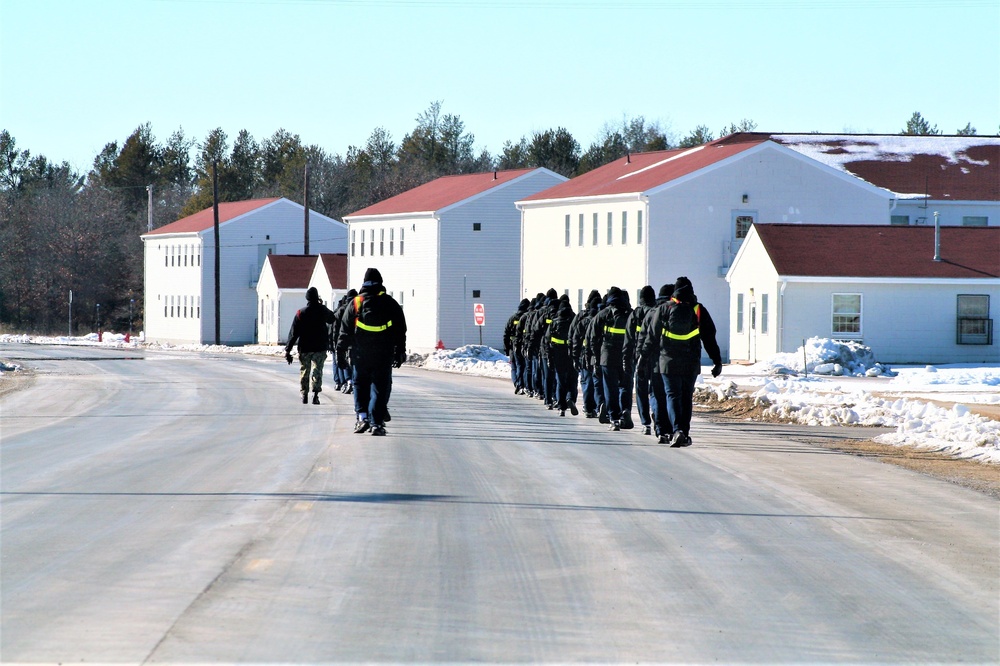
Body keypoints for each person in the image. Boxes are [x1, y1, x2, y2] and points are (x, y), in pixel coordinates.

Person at [640, 277, 722, 447]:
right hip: (691, 363)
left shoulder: (663, 309)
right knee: (686, 397)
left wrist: (643, 359)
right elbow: (709, 337)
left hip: (667, 363)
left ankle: (676, 430)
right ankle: (684, 432)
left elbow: (651, 338)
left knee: (672, 395)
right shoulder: (699, 310)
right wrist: (717, 360)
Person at [337, 268, 407, 437]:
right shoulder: (390, 303)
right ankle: (376, 423)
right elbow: (400, 330)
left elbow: (344, 331)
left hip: (360, 354)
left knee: (360, 384)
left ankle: (362, 418)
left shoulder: (355, 303)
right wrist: (400, 351)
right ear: (380, 283)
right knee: (380, 387)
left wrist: (340, 353)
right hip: (384, 353)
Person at [589, 287, 632, 432]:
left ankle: (614, 418)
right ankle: (625, 410)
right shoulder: (630, 315)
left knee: (610, 388)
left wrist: (595, 356)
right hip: (626, 356)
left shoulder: (603, 314)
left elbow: (593, 339)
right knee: (625, 386)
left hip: (607, 357)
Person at [284, 286, 337, 404]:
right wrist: (322, 306)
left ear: (307, 298)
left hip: (305, 347)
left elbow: (294, 333)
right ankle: (316, 395)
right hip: (320, 347)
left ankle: (304, 394)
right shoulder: (322, 310)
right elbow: (332, 319)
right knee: (317, 371)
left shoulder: (300, 313)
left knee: (305, 371)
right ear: (317, 297)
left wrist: (288, 350)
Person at [625, 285, 658, 435]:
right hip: (656, 357)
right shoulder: (657, 312)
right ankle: (657, 413)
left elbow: (629, 339)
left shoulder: (635, 314)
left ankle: (646, 423)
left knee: (640, 390)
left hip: (638, 358)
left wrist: (626, 358)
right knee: (655, 390)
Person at [545, 294, 578, 416]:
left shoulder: (554, 322)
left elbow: (547, 341)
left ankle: (561, 407)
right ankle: (570, 398)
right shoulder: (575, 321)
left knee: (560, 381)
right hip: (571, 354)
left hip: (558, 355)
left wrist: (549, 357)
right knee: (572, 380)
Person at [504, 299, 530, 394]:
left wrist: (506, 348)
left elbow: (506, 334)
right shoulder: (527, 318)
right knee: (522, 366)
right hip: (523, 345)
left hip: (512, 346)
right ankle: (521, 384)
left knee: (514, 366)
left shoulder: (512, 318)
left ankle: (517, 383)